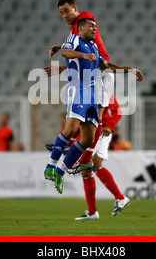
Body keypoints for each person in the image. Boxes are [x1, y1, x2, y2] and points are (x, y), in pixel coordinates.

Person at [44, 0, 144, 172]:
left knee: (96, 117)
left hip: (102, 72)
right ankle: (75, 149)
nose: (65, 15)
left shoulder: (85, 18)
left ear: (76, 8)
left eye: (67, 10)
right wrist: (61, 50)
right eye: (61, 13)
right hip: (92, 72)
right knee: (87, 119)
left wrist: (127, 69)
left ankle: (84, 157)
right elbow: (75, 48)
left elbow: (81, 47)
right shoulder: (74, 30)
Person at [44, 18, 108, 194]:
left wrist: (129, 69)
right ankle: (50, 166)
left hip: (92, 95)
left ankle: (60, 171)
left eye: (96, 26)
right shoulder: (75, 38)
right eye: (91, 26)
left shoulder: (94, 46)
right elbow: (65, 51)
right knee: (71, 128)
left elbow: (105, 65)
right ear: (80, 29)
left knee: (88, 138)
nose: (95, 28)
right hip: (78, 88)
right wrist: (83, 55)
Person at [74, 94, 130, 220]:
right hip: (90, 131)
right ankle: (94, 210)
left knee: (91, 167)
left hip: (101, 131)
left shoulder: (105, 91)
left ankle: (119, 198)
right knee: (88, 171)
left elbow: (117, 111)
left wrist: (110, 125)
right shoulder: (85, 91)